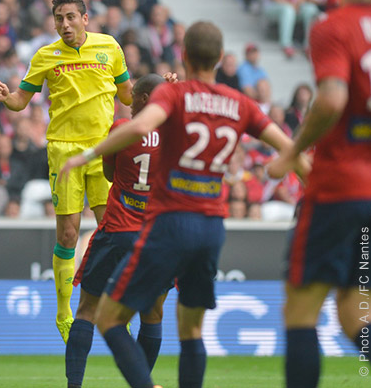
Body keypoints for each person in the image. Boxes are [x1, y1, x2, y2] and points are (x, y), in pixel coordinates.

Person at [60, 21, 307, 388]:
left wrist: (89, 154)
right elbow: (288, 147)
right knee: (191, 329)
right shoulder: (239, 103)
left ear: (185, 55)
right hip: (212, 227)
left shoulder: (174, 98)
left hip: (169, 223)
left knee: (108, 318)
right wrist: (314, 184)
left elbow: (140, 127)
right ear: (221, 58)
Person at [0, 0, 132, 343]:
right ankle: (64, 312)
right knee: (68, 234)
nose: (65, 24)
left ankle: (118, 310)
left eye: (71, 17)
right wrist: (7, 97)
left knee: (112, 232)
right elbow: (21, 101)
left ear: (85, 19)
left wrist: (160, 92)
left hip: (104, 150)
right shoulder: (45, 55)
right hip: (64, 152)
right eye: (59, 19)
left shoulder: (109, 47)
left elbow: (128, 95)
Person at [267, 0, 371, 386]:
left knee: (300, 311)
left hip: (338, 189)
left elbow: (330, 98)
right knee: (353, 311)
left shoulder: (334, 27)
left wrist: (293, 150)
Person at [65, 73, 170, 388]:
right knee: (153, 313)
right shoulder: (176, 136)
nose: (129, 101)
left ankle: (73, 386)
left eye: (134, 96)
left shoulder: (122, 129)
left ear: (142, 99)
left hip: (118, 230)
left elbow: (109, 173)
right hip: (158, 238)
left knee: (86, 309)